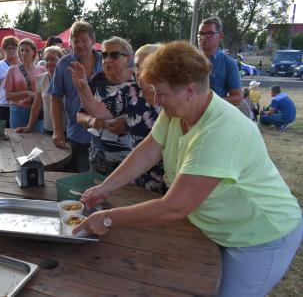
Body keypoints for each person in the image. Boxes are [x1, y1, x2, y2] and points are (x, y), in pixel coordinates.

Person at [73, 41, 302, 297]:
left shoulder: (221, 130)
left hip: (262, 235)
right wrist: (106, 187)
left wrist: (108, 217)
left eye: (161, 93)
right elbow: (148, 151)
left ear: (190, 90)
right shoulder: (176, 111)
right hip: (219, 226)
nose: (157, 101)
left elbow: (174, 207)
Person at [70, 43, 166, 194]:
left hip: (169, 175)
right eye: (137, 65)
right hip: (138, 172)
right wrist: (83, 87)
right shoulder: (131, 92)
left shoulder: (172, 95)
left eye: (143, 66)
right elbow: (97, 110)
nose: (138, 71)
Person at [72, 37, 134, 177]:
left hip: (134, 158)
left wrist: (127, 124)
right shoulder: (98, 80)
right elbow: (80, 115)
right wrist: (92, 121)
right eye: (105, 55)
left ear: (128, 59)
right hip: (101, 155)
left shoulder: (139, 82)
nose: (107, 59)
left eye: (114, 55)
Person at [48, 20, 103, 173]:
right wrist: (57, 130)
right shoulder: (64, 64)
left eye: (84, 40)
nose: (80, 45)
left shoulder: (107, 62)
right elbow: (55, 98)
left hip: (107, 135)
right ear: (70, 43)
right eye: (76, 41)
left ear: (93, 40)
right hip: (78, 135)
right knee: (79, 183)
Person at [15, 46, 66, 135]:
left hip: (67, 128)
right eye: (46, 59)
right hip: (48, 128)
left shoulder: (68, 78)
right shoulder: (41, 79)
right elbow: (36, 105)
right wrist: (29, 126)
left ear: (61, 60)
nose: (49, 62)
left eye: (53, 59)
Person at [198, 17, 242, 105]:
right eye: (201, 33)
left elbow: (237, 98)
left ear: (220, 36)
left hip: (214, 115)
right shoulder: (188, 60)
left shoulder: (229, 63)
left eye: (210, 33)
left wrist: (211, 102)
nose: (203, 37)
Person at [4, 38, 46, 130]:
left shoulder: (42, 70)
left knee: (39, 140)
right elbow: (7, 96)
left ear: (34, 52)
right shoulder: (12, 70)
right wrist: (27, 93)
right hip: (18, 111)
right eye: (21, 50)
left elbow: (47, 92)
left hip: (38, 110)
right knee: (19, 141)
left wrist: (36, 96)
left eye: (27, 50)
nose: (24, 53)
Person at [0, 36, 20, 127]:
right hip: (4, 107)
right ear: (3, 50)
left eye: (13, 48)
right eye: (8, 48)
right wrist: (2, 100)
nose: (11, 51)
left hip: (21, 106)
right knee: (6, 136)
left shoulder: (23, 64)